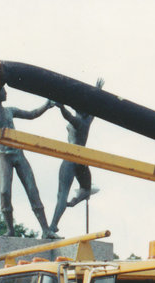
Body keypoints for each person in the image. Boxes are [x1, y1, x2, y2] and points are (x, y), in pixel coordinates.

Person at [0, 87, 55, 237]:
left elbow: (32, 114)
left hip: (19, 155)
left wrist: (47, 105)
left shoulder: (9, 111)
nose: (6, 93)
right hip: (4, 157)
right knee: (4, 192)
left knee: (32, 190)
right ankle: (10, 229)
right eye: (3, 90)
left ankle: (46, 230)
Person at [49, 77, 104, 234]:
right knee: (86, 190)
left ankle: (53, 225)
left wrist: (61, 107)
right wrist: (97, 91)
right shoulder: (88, 120)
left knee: (62, 194)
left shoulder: (79, 121)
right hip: (82, 159)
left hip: (71, 157)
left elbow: (68, 117)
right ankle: (72, 202)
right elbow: (94, 106)